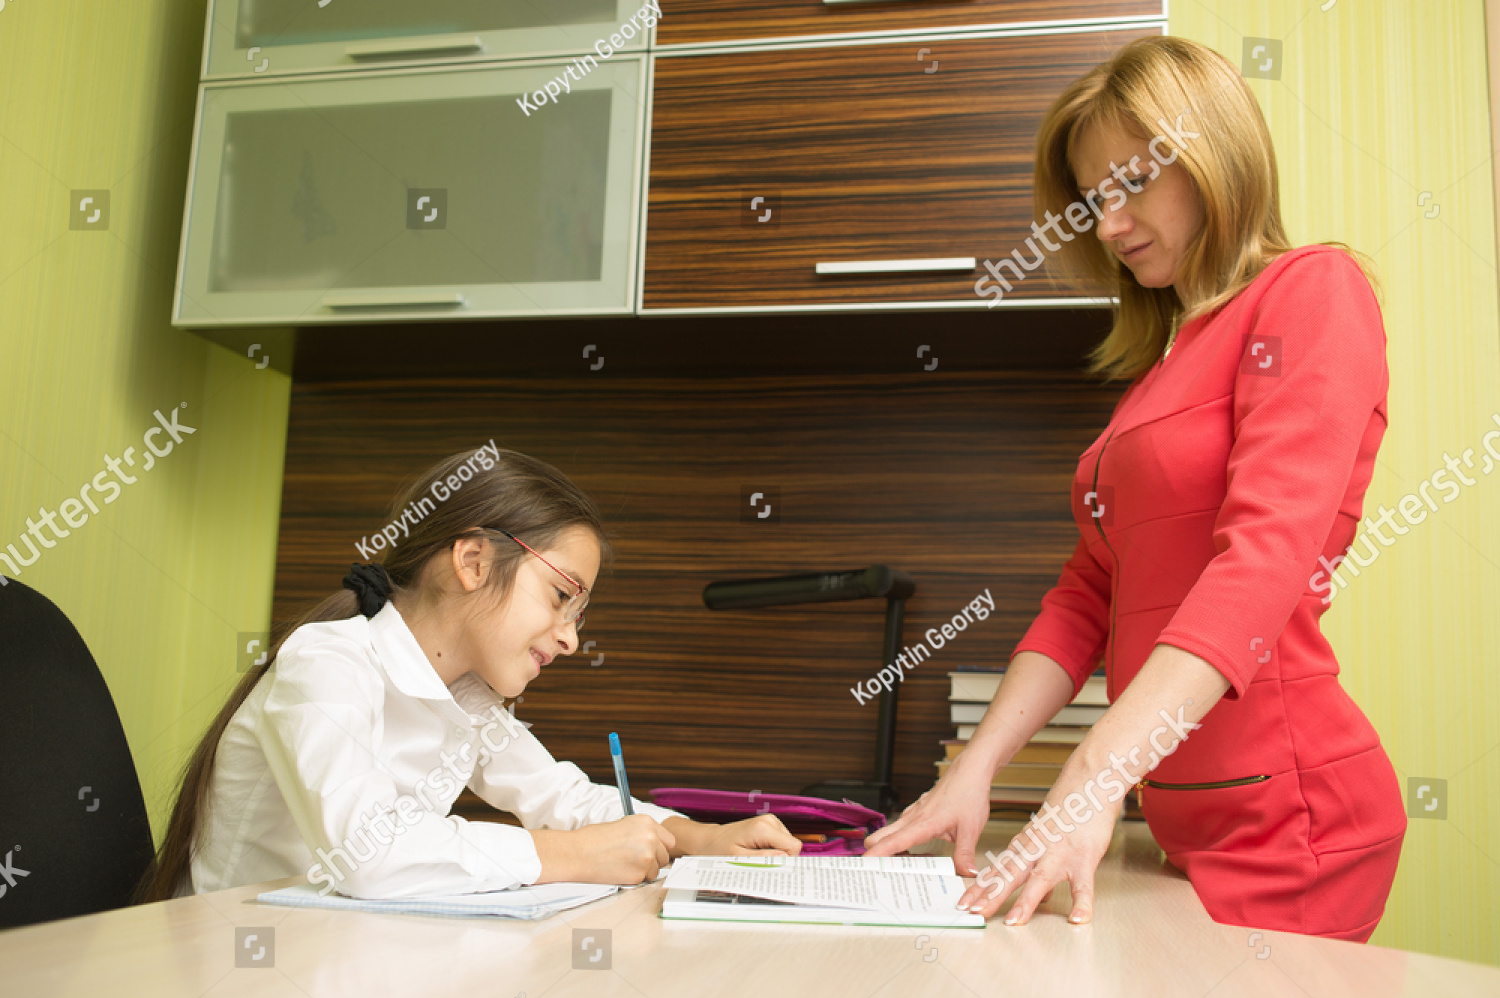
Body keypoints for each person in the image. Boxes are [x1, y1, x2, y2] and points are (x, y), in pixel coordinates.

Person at [865, 36, 1406, 943]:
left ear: (1213, 154)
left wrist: (1091, 775)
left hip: (1292, 814)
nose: (1108, 224)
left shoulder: (1313, 291)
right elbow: (1087, 595)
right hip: (1184, 814)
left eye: (1131, 183)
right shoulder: (1160, 372)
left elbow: (1265, 559)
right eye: (1092, 200)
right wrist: (974, 767)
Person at [135, 447, 800, 902]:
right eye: (561, 595)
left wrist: (699, 836)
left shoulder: (469, 702)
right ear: (475, 562)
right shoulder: (325, 663)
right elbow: (369, 856)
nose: (570, 637)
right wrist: (572, 856)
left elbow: (562, 797)